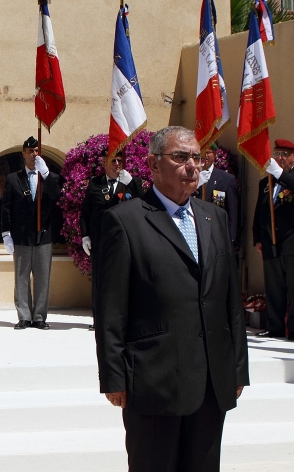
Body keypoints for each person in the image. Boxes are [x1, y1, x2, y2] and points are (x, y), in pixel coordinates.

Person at [96, 126, 249, 472]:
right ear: (152, 164)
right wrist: (114, 377)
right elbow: (111, 309)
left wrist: (238, 367)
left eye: (196, 157)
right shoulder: (124, 221)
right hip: (154, 383)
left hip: (213, 382)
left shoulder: (216, 218)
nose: (192, 165)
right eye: (180, 157)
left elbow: (230, 303)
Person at [1, 137, 60, 330]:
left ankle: (40, 317)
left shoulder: (48, 177)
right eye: (30, 151)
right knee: (22, 277)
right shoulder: (13, 178)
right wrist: (5, 233)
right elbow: (6, 208)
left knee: (43, 277)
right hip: (22, 235)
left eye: (37, 151)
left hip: (43, 234)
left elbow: (56, 196)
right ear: (23, 154)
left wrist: (46, 174)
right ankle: (24, 316)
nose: (34, 154)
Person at [80, 149, 143, 330]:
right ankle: (99, 319)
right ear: (104, 162)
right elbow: (86, 212)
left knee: (123, 281)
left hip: (124, 242)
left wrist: (131, 184)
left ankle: (121, 319)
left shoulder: (131, 183)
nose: (117, 164)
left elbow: (145, 205)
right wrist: (85, 235)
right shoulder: (95, 183)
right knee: (100, 283)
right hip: (100, 241)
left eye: (119, 161)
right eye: (113, 161)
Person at [253, 138, 294, 340]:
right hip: (271, 244)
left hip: (290, 243)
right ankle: (275, 327)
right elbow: (259, 212)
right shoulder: (266, 183)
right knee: (274, 288)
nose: (280, 158)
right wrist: (258, 238)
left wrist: (280, 174)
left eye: (284, 155)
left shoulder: (289, 178)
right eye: (277, 154)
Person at [196, 143, 239, 247]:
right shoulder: (190, 177)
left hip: (217, 234)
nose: (205, 155)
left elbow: (232, 211)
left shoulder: (226, 179)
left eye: (209, 152)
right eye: (202, 152)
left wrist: (232, 238)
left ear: (215, 154)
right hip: (195, 231)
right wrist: (196, 184)